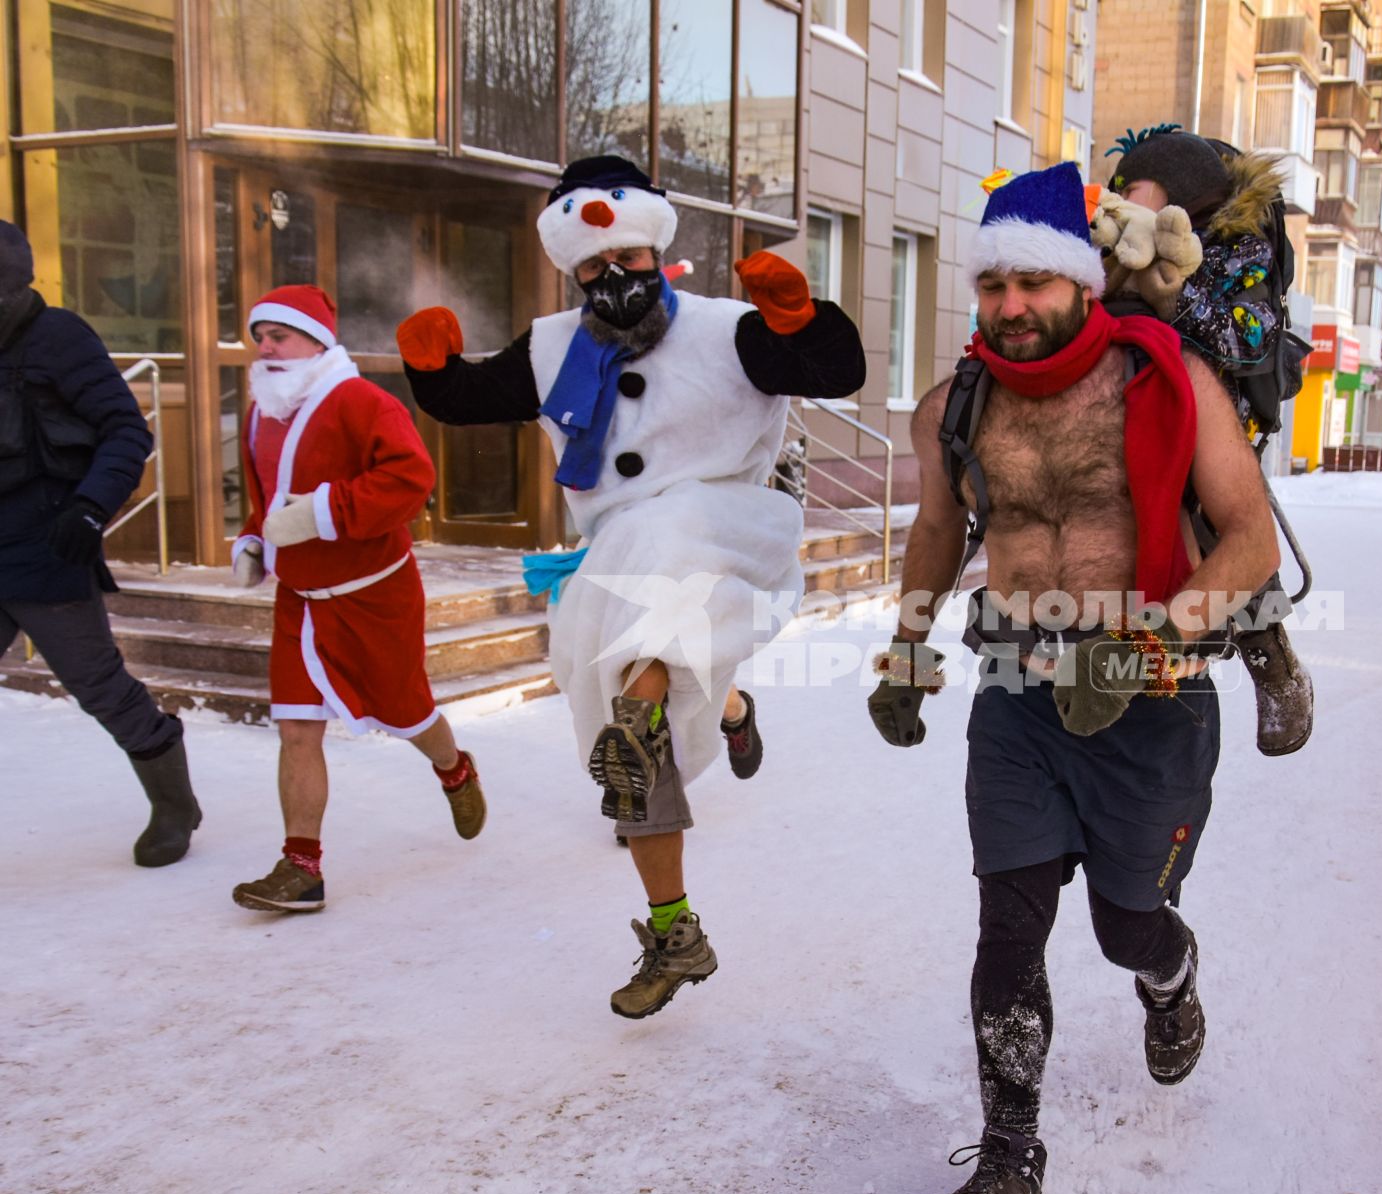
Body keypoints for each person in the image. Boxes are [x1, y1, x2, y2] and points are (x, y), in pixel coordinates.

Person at [865, 163, 1279, 1194]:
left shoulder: (1169, 378)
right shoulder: (957, 402)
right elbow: (938, 532)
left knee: (1122, 923)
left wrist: (1151, 642)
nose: (1011, 306)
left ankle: (1171, 973)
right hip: (1016, 691)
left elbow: (1248, 539)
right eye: (993, 285)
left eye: (1032, 285)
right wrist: (906, 646)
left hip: (1151, 695)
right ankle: (1010, 1156)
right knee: (1009, 924)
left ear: (1082, 284)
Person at [398, 155, 864, 1020]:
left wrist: (801, 321)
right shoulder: (549, 348)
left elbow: (836, 370)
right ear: (574, 268)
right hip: (621, 556)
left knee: (655, 598)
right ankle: (676, 927)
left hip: (728, 529)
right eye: (594, 268)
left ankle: (681, 707)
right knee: (625, 738)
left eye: (629, 261)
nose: (614, 278)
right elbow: (471, 398)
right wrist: (432, 371)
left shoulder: (728, 330)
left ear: (655, 247)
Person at [227, 285, 487, 914]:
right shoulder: (261, 409)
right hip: (300, 601)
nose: (265, 346)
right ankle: (301, 868)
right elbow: (267, 497)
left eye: (279, 335)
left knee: (407, 713)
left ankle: (454, 767)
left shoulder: (362, 401)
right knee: (296, 731)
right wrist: (255, 540)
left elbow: (409, 480)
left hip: (374, 595)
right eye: (259, 335)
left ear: (316, 340)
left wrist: (320, 513)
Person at [1098, 126, 1313, 757]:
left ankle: (1269, 655)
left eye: (1132, 187)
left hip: (1217, 405)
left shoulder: (1235, 249)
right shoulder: (1115, 231)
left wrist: (1173, 299)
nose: (1119, 197)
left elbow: (1246, 341)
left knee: (1216, 508)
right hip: (1135, 393)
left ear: (1176, 192)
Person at [0, 220, 201, 866]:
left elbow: (125, 429)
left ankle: (175, 803)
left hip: (48, 548)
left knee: (98, 684)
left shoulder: (59, 339)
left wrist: (90, 510)